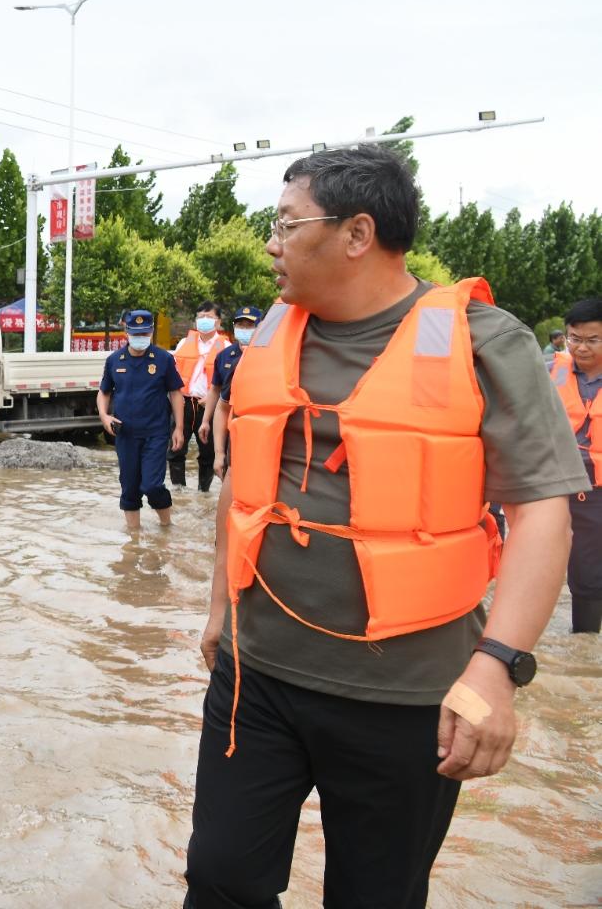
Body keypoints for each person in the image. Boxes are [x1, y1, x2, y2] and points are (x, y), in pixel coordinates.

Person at [186, 146, 588, 908]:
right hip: (257, 673)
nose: (270, 244)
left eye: (285, 224)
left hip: (406, 698)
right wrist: (217, 610)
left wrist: (497, 669)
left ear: (357, 233)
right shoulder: (273, 333)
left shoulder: (484, 340)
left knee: (377, 896)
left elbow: (542, 511)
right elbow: (245, 481)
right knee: (219, 878)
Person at [97, 308, 185, 532]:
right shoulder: (114, 360)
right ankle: (134, 539)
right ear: (126, 330)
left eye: (145, 334)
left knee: (152, 485)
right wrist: (104, 415)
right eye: (136, 333)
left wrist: (179, 428)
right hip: (125, 434)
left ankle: (166, 526)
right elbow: (104, 392)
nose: (140, 338)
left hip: (156, 433)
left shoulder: (164, 359)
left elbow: (176, 393)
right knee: (129, 488)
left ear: (152, 332)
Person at [550, 297, 602, 633]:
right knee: (580, 569)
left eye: (592, 340)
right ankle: (583, 641)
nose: (581, 348)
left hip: (598, 490)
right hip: (560, 484)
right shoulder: (549, 372)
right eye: (574, 338)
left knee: (588, 569)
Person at [170, 302, 232, 491]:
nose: (204, 321)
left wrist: (213, 400)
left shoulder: (226, 347)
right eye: (200, 317)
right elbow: (174, 375)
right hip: (184, 403)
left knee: (208, 452)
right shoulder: (184, 343)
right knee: (175, 448)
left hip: (210, 405)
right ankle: (178, 490)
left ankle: (203, 491)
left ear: (218, 322)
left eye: (209, 317)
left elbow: (227, 381)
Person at [198, 305, 263, 483]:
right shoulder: (225, 356)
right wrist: (205, 421)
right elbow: (218, 394)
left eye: (249, 325)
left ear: (261, 327)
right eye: (240, 325)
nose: (244, 329)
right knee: (229, 475)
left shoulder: (270, 356)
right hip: (233, 426)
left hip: (262, 431)